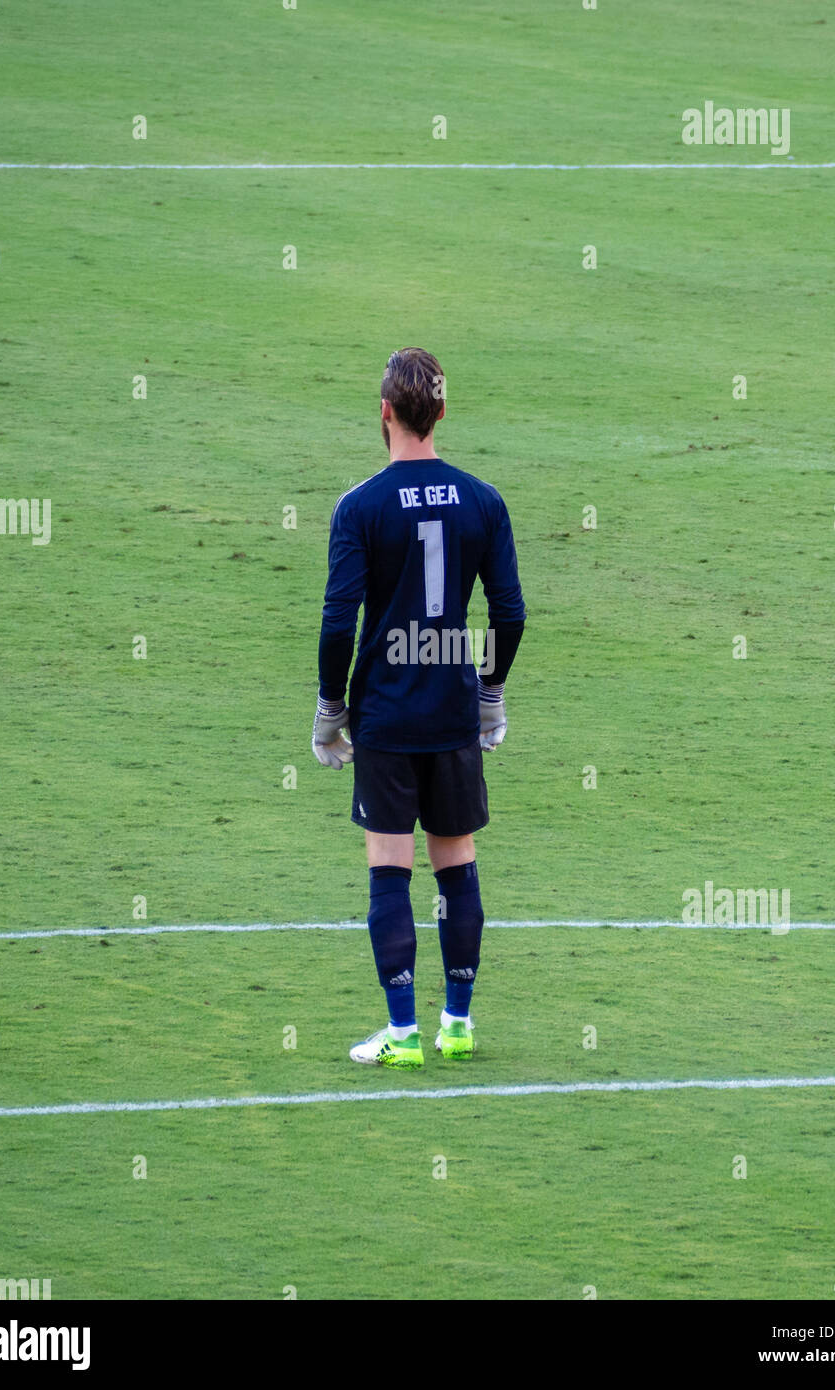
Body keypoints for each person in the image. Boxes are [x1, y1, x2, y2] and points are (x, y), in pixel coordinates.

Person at [311, 348, 526, 1067]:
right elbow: (510, 611)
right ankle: (457, 1024)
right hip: (450, 706)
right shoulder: (483, 499)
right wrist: (490, 693)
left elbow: (340, 620)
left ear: (383, 413)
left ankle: (402, 1033)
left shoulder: (361, 505)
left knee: (388, 870)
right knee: (458, 868)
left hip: (387, 718)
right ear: (440, 412)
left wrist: (329, 707)